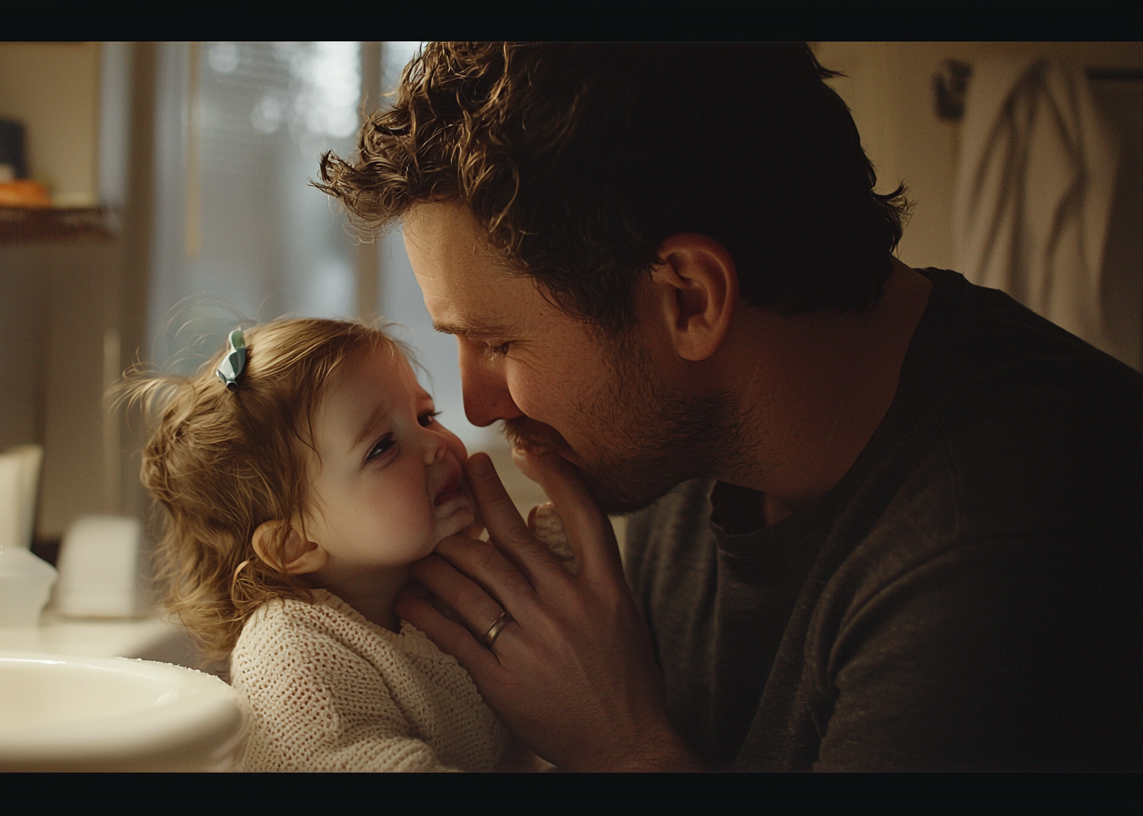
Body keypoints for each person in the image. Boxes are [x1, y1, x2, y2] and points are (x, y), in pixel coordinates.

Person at [317, 42, 1143, 770]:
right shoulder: (697, 438)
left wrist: (621, 749)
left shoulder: (1008, 551)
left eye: (497, 344)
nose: (476, 403)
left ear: (690, 300)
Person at [134, 318, 533, 771]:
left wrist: (558, 531)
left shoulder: (443, 584)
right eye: (382, 446)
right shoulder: (291, 655)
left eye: (426, 416)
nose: (434, 444)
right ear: (293, 543)